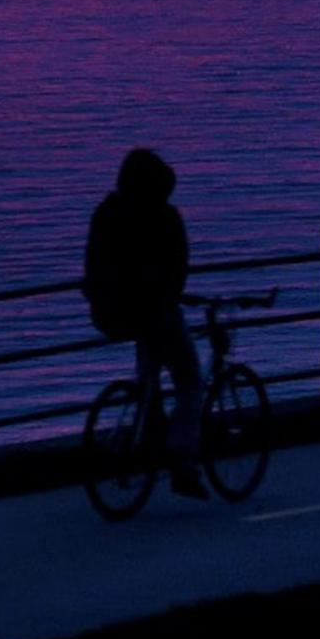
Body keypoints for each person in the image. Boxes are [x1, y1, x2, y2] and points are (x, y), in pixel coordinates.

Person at [82, 147, 209, 499]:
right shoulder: (164, 218)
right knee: (189, 379)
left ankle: (150, 433)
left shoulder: (107, 213)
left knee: (149, 371)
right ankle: (182, 456)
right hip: (153, 310)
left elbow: (93, 264)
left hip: (112, 311)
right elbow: (177, 270)